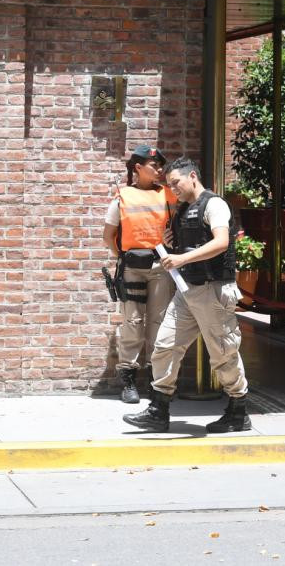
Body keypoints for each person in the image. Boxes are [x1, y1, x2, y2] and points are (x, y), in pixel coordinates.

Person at [123, 157, 251, 434]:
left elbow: (221, 242)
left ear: (192, 176)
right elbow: (189, 246)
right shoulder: (183, 210)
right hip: (188, 291)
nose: (173, 189)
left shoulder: (214, 204)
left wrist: (182, 258)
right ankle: (158, 410)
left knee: (223, 354)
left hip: (213, 290)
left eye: (176, 183)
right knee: (165, 346)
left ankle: (238, 410)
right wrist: (173, 246)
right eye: (169, 185)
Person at [101, 145, 176, 404]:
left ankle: (157, 383)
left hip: (160, 268)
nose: (159, 169)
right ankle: (129, 381)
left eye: (160, 165)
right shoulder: (122, 196)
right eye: (153, 165)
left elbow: (177, 228)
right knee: (132, 323)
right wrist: (121, 257)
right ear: (138, 168)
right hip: (132, 268)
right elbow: (108, 236)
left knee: (159, 324)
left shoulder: (168, 195)